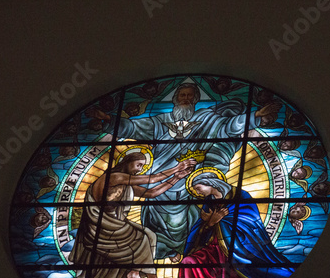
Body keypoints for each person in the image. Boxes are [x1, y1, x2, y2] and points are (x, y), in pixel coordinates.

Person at [95, 83, 270, 260]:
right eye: (182, 95)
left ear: (195, 100)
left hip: (187, 181)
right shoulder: (160, 121)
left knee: (180, 220)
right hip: (159, 180)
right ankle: (164, 250)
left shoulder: (209, 119)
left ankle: (179, 249)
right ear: (175, 99)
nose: (185, 99)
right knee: (154, 218)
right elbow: (134, 128)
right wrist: (108, 119)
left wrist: (255, 116)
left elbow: (230, 126)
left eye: (189, 96)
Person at [68, 152, 196, 278]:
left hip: (116, 224)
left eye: (142, 166)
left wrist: (176, 178)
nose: (140, 169)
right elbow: (152, 179)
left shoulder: (125, 182)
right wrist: (177, 168)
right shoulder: (114, 177)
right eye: (138, 165)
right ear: (127, 162)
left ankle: (134, 272)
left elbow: (151, 193)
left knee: (151, 235)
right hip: (102, 226)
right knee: (141, 239)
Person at [173, 172, 295, 278]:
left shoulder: (240, 196)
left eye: (198, 188)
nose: (198, 192)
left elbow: (250, 222)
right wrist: (211, 223)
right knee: (188, 261)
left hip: (239, 247)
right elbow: (201, 229)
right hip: (212, 248)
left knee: (231, 273)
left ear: (209, 182)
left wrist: (221, 220)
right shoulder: (209, 202)